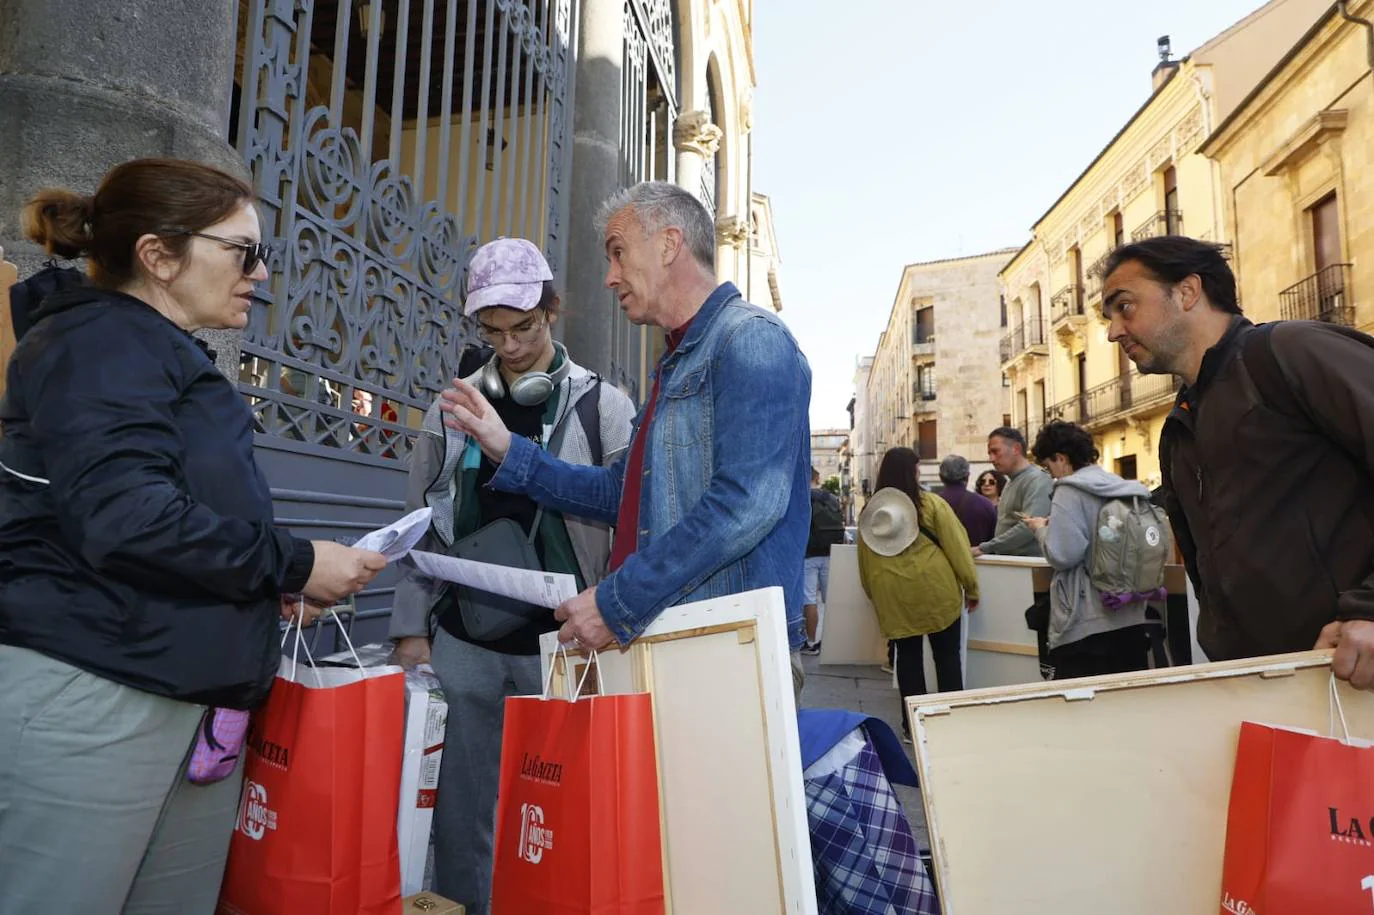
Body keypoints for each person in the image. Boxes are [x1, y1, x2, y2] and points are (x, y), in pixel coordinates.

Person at [0, 158, 386, 913]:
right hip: (98, 702)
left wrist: (264, 588)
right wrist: (297, 562)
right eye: (243, 251)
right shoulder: (100, 343)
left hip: (179, 702)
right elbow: (128, 519)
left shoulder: (154, 348)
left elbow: (174, 522)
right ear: (159, 256)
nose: (262, 273)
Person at [438, 181, 813, 695]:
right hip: (683, 639)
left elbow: (746, 505)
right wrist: (508, 449)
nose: (609, 277)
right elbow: (621, 493)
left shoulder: (751, 341)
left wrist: (616, 603)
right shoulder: (677, 361)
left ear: (668, 243)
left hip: (729, 645)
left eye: (618, 253)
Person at [387, 237, 634, 913]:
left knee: (555, 804)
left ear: (552, 311)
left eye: (523, 326)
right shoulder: (455, 407)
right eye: (493, 331)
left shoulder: (602, 407)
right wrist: (412, 627)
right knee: (461, 806)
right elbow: (419, 516)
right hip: (466, 637)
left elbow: (629, 513)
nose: (511, 344)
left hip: (565, 644)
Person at [1101, 235, 1374, 688]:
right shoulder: (1178, 428)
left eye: (1124, 306)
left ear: (1187, 292)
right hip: (1259, 688)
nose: (1113, 331)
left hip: (1351, 679)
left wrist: (1369, 611)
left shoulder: (1290, 352)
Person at [857, 447, 979, 740]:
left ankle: (913, 726)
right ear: (912, 472)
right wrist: (971, 585)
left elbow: (864, 561)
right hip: (936, 589)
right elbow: (957, 545)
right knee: (947, 657)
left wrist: (874, 594)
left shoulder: (871, 513)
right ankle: (951, 717)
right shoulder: (930, 504)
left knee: (908, 660)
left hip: (894, 596)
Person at [1024, 421, 1157, 678]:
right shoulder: (1123, 486)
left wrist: (1040, 529)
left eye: (1049, 466)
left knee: (1085, 712)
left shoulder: (1069, 491)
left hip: (1087, 621)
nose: (1052, 474)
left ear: (1061, 458)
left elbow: (1063, 555)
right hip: (1131, 615)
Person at [972, 427, 1052, 557]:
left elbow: (1029, 527)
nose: (991, 459)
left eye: (995, 451)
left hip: (1027, 568)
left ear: (1016, 449)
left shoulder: (1038, 480)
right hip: (1012, 566)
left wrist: (986, 547)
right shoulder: (1011, 481)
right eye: (989, 453)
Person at [802, 466, 844, 656]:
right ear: (817, 478)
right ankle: (833, 643)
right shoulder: (830, 498)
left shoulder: (800, 497)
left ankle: (811, 642)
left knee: (809, 598)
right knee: (831, 600)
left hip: (808, 555)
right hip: (830, 553)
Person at [933, 454, 997, 546]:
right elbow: (993, 539)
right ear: (967, 476)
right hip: (976, 559)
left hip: (941, 559)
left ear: (941, 477)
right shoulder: (985, 504)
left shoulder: (931, 504)